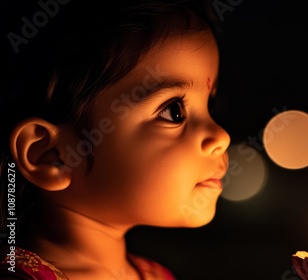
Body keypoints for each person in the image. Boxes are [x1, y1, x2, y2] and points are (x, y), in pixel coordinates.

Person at [0, 0, 230, 279]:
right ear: (52, 155)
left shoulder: (156, 275)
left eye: (210, 103)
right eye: (173, 111)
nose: (221, 136)